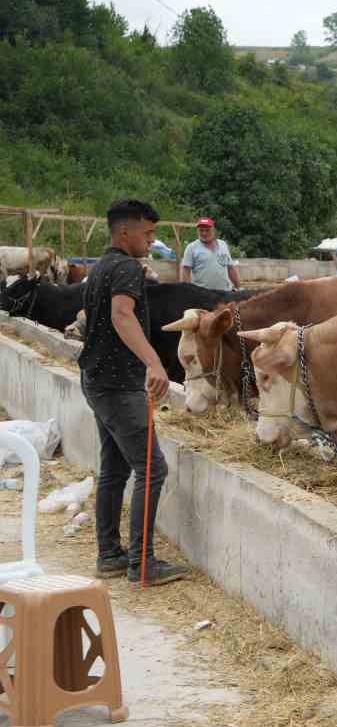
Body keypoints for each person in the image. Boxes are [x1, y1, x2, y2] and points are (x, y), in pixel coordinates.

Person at [79, 199, 188, 586]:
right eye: (148, 233)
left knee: (114, 468)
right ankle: (142, 562)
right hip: (119, 386)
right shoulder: (125, 268)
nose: (151, 240)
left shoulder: (101, 266)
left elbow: (91, 318)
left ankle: (109, 554)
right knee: (153, 468)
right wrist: (154, 364)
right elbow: (121, 315)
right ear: (125, 232)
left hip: (95, 380)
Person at [180, 217, 240, 291]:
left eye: (207, 230)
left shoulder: (223, 244)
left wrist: (239, 287)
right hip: (202, 294)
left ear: (213, 230)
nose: (204, 233)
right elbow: (186, 271)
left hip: (225, 292)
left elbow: (230, 268)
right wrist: (186, 291)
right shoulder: (191, 247)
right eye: (201, 230)